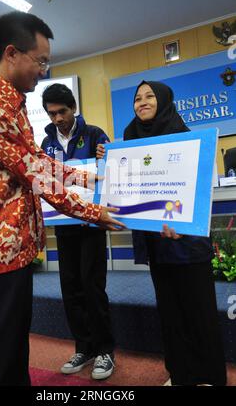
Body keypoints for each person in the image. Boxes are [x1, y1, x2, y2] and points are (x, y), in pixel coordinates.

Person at [0, 11, 124, 386]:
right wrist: (95, 211)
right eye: (41, 60)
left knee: (13, 343)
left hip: (11, 245)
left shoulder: (8, 101)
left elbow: (34, 161)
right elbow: (37, 175)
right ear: (12, 53)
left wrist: (81, 174)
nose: (44, 71)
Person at [97, 80, 227, 386]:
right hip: (157, 245)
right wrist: (110, 159)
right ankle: (180, 373)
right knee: (170, 313)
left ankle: (208, 376)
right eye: (137, 98)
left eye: (149, 96)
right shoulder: (130, 138)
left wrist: (185, 226)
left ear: (164, 100)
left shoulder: (184, 139)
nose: (141, 102)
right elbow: (126, 189)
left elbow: (197, 194)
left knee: (199, 312)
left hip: (188, 245)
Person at [41, 84, 115, 380]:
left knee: (92, 286)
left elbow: (109, 171)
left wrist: (105, 156)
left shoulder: (95, 133)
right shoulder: (45, 143)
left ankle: (105, 351)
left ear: (73, 108)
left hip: (90, 225)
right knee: (70, 288)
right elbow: (42, 179)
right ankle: (83, 347)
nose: (57, 118)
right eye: (51, 113)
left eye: (62, 111)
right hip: (62, 225)